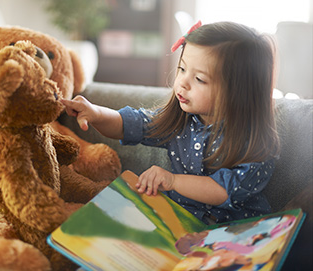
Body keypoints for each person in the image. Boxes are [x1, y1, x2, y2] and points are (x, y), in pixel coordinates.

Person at [61, 21, 280, 224]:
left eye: (200, 79)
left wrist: (172, 181)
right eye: (182, 69)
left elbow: (225, 190)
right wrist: (97, 113)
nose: (182, 83)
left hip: (235, 236)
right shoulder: (180, 121)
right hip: (179, 225)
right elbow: (130, 124)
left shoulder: (255, 142)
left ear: (239, 93)